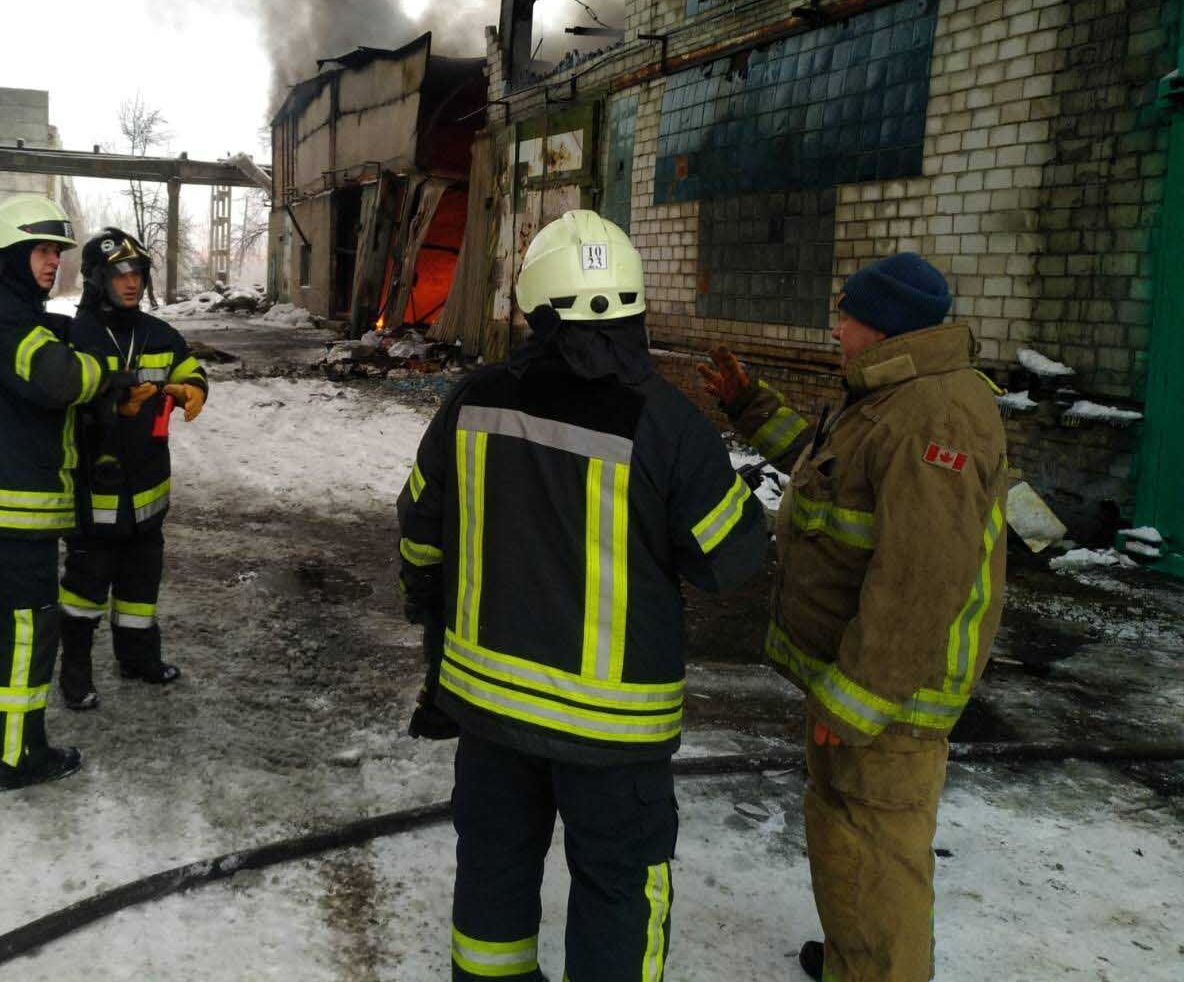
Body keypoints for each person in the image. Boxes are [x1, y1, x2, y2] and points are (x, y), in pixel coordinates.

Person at [398, 209, 767, 982]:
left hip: (489, 711)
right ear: (633, 305)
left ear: (537, 306)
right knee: (616, 889)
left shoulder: (475, 400)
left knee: (494, 872)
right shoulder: (668, 424)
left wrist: (428, 615)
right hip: (613, 732)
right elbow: (728, 562)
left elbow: (420, 527)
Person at [698, 251, 1008, 982]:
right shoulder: (890, 395)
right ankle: (854, 959)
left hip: (891, 696)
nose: (835, 328)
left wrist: (860, 693)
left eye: (846, 316)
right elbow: (826, 474)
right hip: (855, 679)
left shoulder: (939, 414)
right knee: (845, 834)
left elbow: (921, 577)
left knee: (879, 846)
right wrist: (750, 408)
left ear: (882, 325)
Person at [0, 193, 114, 792]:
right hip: (17, 502)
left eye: (58, 252)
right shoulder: (2, 314)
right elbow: (59, 379)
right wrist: (106, 369)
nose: (53, 263)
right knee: (25, 627)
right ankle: (18, 756)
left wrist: (62, 326)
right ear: (12, 254)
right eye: (43, 251)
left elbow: (35, 342)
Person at [56, 228, 208, 709]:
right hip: (94, 487)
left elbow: (189, 368)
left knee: (141, 584)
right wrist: (110, 403)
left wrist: (193, 388)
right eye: (120, 273)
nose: (131, 283)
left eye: (138, 273)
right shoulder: (72, 336)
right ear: (97, 279)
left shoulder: (158, 334)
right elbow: (59, 400)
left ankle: (138, 658)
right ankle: (75, 674)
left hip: (148, 486)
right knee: (84, 589)